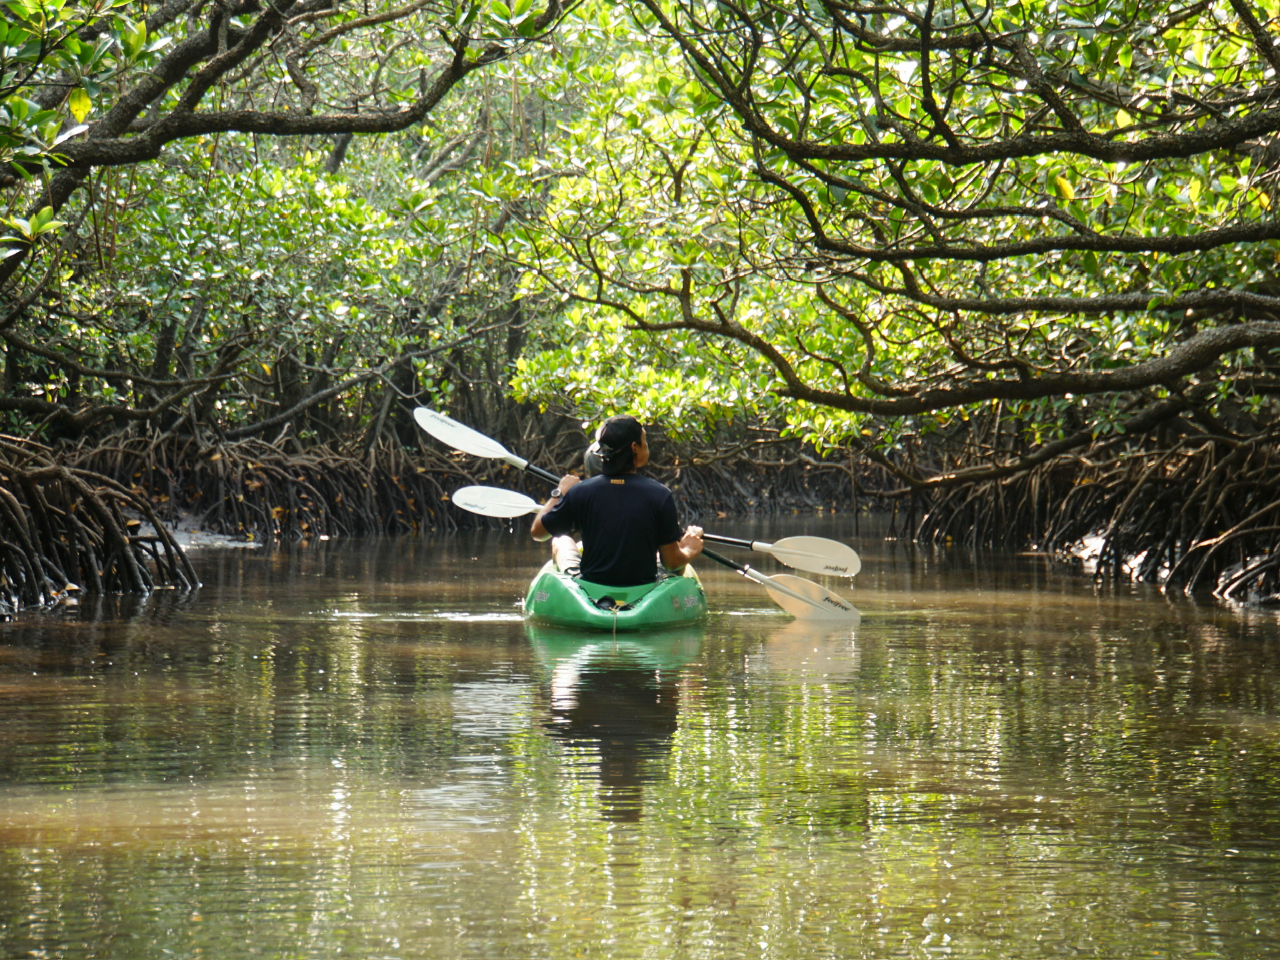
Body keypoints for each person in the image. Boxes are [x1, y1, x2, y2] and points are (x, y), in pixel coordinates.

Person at [531, 416, 703, 587]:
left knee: (560, 540)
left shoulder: (579, 492)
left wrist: (559, 493)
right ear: (634, 447)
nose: (647, 446)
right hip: (642, 587)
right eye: (645, 442)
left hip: (591, 586)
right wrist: (689, 548)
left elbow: (538, 533)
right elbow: (672, 562)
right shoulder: (660, 494)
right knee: (669, 555)